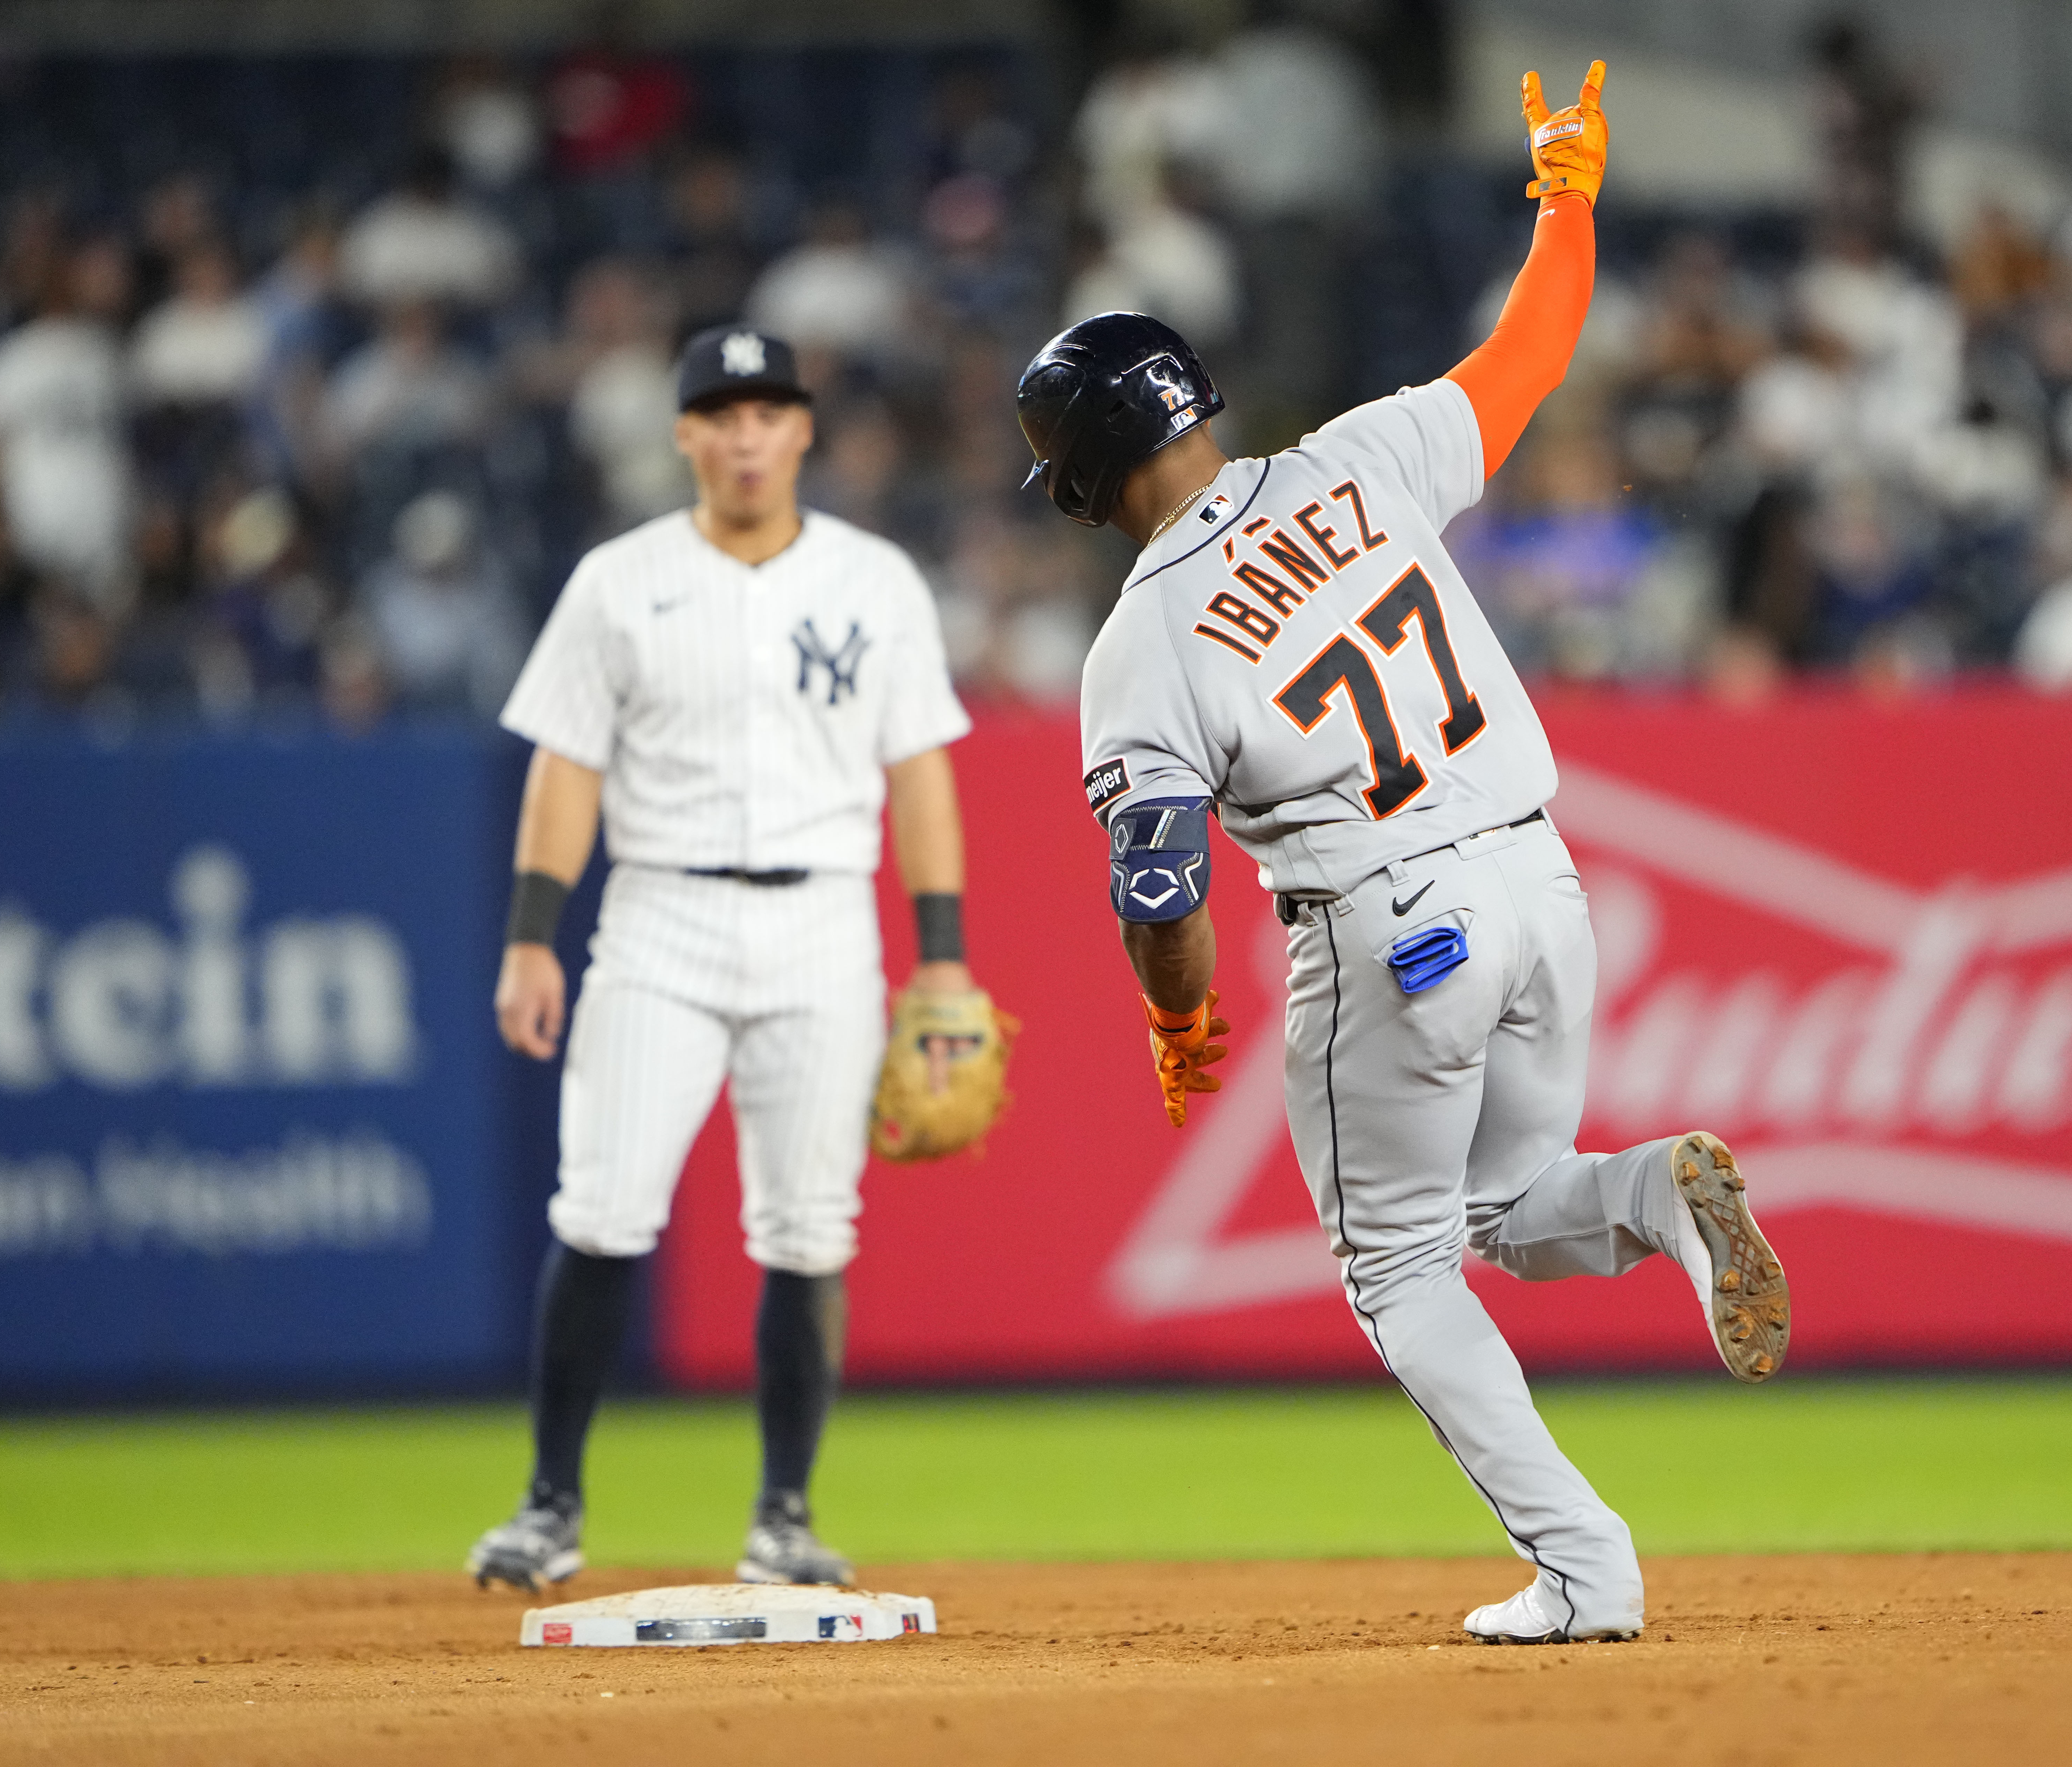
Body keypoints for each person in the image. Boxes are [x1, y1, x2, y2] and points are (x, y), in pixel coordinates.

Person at [1022, 62, 1790, 1647]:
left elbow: (1157, 887)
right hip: (1538, 876)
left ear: (1088, 477)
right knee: (1510, 1207)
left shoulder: (1141, 640)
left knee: (1397, 1271)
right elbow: (1533, 346)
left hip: (1389, 921)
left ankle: (1585, 1566)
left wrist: (1178, 1025)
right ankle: (1654, 1192)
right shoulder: (1360, 457)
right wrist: (1565, 191)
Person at [467, 324, 979, 1591]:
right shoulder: (617, 580)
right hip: (659, 920)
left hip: (823, 924)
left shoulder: (876, 582)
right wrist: (532, 938)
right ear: (686, 433)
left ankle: (785, 1518)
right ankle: (550, 1507)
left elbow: (919, 776)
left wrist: (947, 962)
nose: (747, 433)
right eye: (723, 412)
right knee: (601, 1207)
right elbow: (566, 770)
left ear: (803, 428)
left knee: (811, 1225)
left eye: (769, 411)